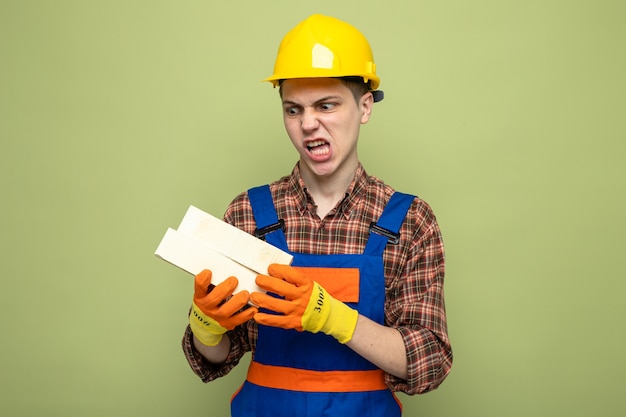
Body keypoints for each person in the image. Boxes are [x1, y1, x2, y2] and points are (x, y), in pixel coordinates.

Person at [182, 14, 452, 416]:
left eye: (326, 105)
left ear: (364, 107)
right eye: (294, 110)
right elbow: (220, 355)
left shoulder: (410, 221)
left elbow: (428, 361)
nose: (309, 124)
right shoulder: (247, 213)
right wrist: (207, 326)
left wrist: (334, 318)